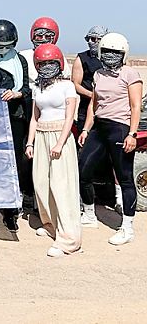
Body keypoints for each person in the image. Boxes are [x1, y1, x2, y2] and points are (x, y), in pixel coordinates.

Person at [78, 33, 142, 246]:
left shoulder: (130, 74)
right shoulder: (98, 74)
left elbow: (135, 106)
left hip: (120, 128)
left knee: (125, 177)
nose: (110, 56)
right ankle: (89, 214)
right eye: (106, 52)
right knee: (83, 169)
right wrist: (86, 129)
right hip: (99, 127)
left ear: (123, 54)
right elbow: (93, 104)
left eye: (115, 53)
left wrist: (132, 134)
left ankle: (127, 227)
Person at [25, 44, 81, 257]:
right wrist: (30, 143)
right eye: (43, 63)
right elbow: (34, 118)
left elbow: (69, 117)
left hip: (60, 136)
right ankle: (50, 224)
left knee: (61, 185)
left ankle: (69, 239)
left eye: (51, 62)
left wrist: (59, 143)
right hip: (41, 136)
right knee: (41, 183)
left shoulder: (67, 86)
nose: (47, 66)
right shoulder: (37, 88)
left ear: (59, 63)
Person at [0, 19, 31, 233]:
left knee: (13, 166)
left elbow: (26, 88)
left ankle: (10, 212)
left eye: (7, 45)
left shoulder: (21, 61)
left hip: (15, 118)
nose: (3, 49)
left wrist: (17, 94)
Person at [72, 25, 122, 214]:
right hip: (86, 112)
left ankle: (117, 198)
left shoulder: (113, 58)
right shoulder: (82, 58)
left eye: (97, 39)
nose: (93, 42)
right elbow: (76, 84)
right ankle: (83, 200)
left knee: (114, 157)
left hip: (111, 112)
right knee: (84, 155)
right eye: (90, 39)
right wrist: (94, 95)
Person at [20, 17, 71, 85]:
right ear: (33, 36)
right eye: (39, 36)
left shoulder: (58, 57)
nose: (43, 39)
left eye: (48, 36)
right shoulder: (23, 56)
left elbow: (66, 80)